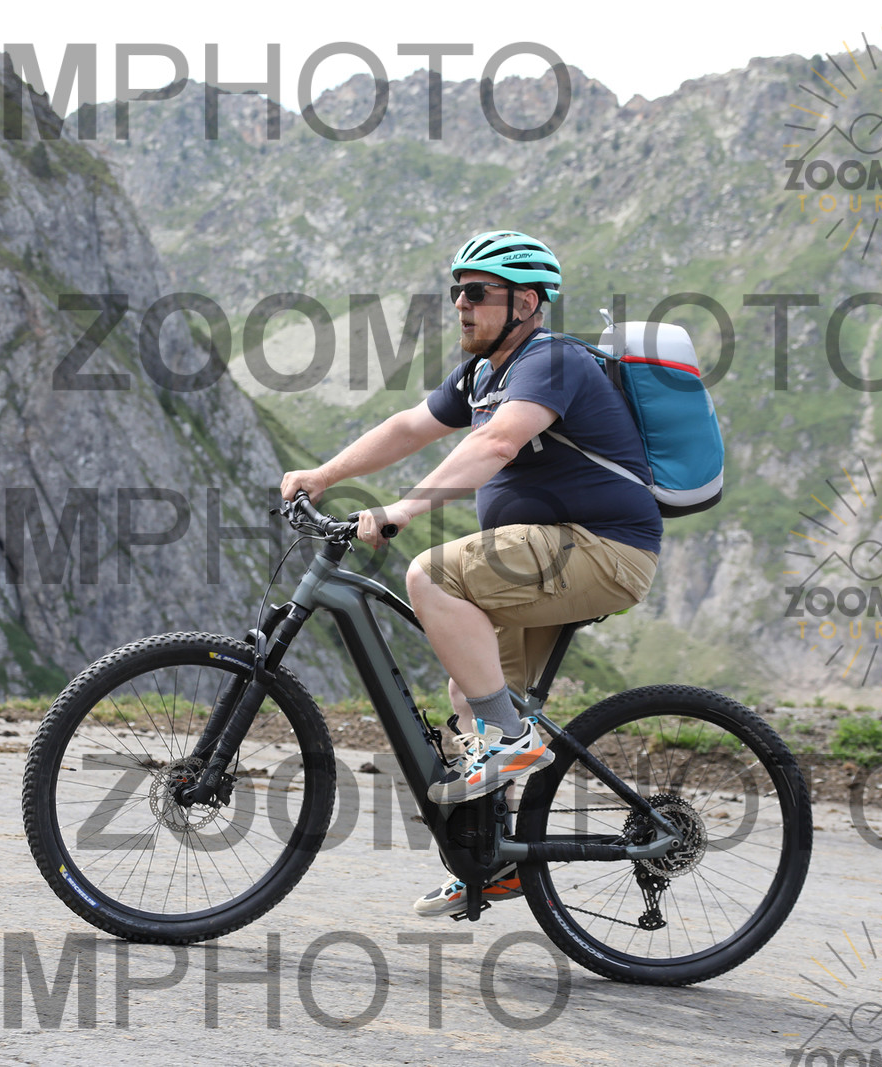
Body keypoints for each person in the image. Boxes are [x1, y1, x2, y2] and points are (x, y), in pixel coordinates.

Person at [279, 229, 662, 916]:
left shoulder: (552, 361)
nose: (461, 303)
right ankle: (498, 857)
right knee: (472, 691)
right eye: (456, 291)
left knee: (432, 575)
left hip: (600, 547)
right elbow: (408, 427)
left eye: (477, 292)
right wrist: (326, 474)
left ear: (526, 302)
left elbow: (497, 441)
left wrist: (403, 508)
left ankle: (514, 742)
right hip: (549, 552)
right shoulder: (483, 373)